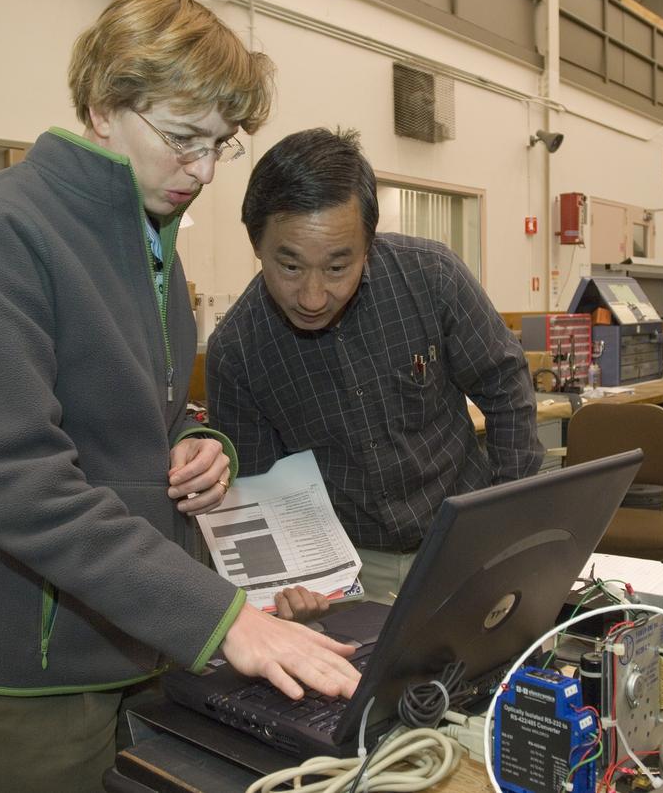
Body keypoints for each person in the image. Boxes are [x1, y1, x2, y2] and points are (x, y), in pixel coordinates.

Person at [0, 0, 359, 792]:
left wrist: (197, 445)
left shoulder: (149, 249)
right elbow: (22, 486)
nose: (204, 171)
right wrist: (222, 621)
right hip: (7, 674)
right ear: (105, 106)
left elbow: (146, 416)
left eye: (221, 146)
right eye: (183, 139)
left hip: (126, 645)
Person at [206, 128, 543, 607]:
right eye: (291, 267)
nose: (313, 297)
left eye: (338, 267)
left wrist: (507, 525)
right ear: (256, 243)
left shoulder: (431, 277)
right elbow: (259, 492)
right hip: (348, 570)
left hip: (462, 538)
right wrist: (287, 588)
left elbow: (506, 387)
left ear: (369, 243)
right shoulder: (238, 351)